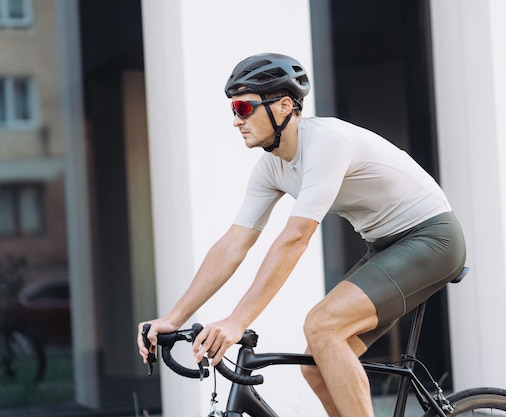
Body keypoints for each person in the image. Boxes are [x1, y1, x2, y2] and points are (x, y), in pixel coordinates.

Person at [137, 52, 466, 417]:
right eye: (233, 110)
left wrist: (237, 320)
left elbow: (295, 239)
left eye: (244, 109)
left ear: (282, 106)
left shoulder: (326, 143)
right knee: (316, 365)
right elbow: (233, 244)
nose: (235, 121)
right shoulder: (271, 168)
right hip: (385, 245)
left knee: (322, 325)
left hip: (432, 239)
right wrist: (175, 317)